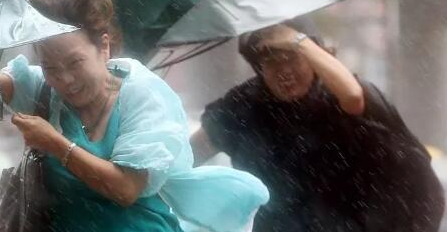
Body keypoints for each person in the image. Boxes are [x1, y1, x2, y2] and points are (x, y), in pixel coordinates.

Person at [0, 0, 269, 232]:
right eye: (50, 67)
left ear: (103, 47)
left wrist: (55, 143)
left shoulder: (142, 96)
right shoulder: (44, 91)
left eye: (75, 63)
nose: (65, 79)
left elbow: (125, 188)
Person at [190, 20, 445, 232]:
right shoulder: (244, 104)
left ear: (315, 57)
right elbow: (190, 155)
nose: (284, 71)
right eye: (271, 61)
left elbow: (353, 97)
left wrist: (297, 40)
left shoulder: (339, 93)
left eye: (291, 57)